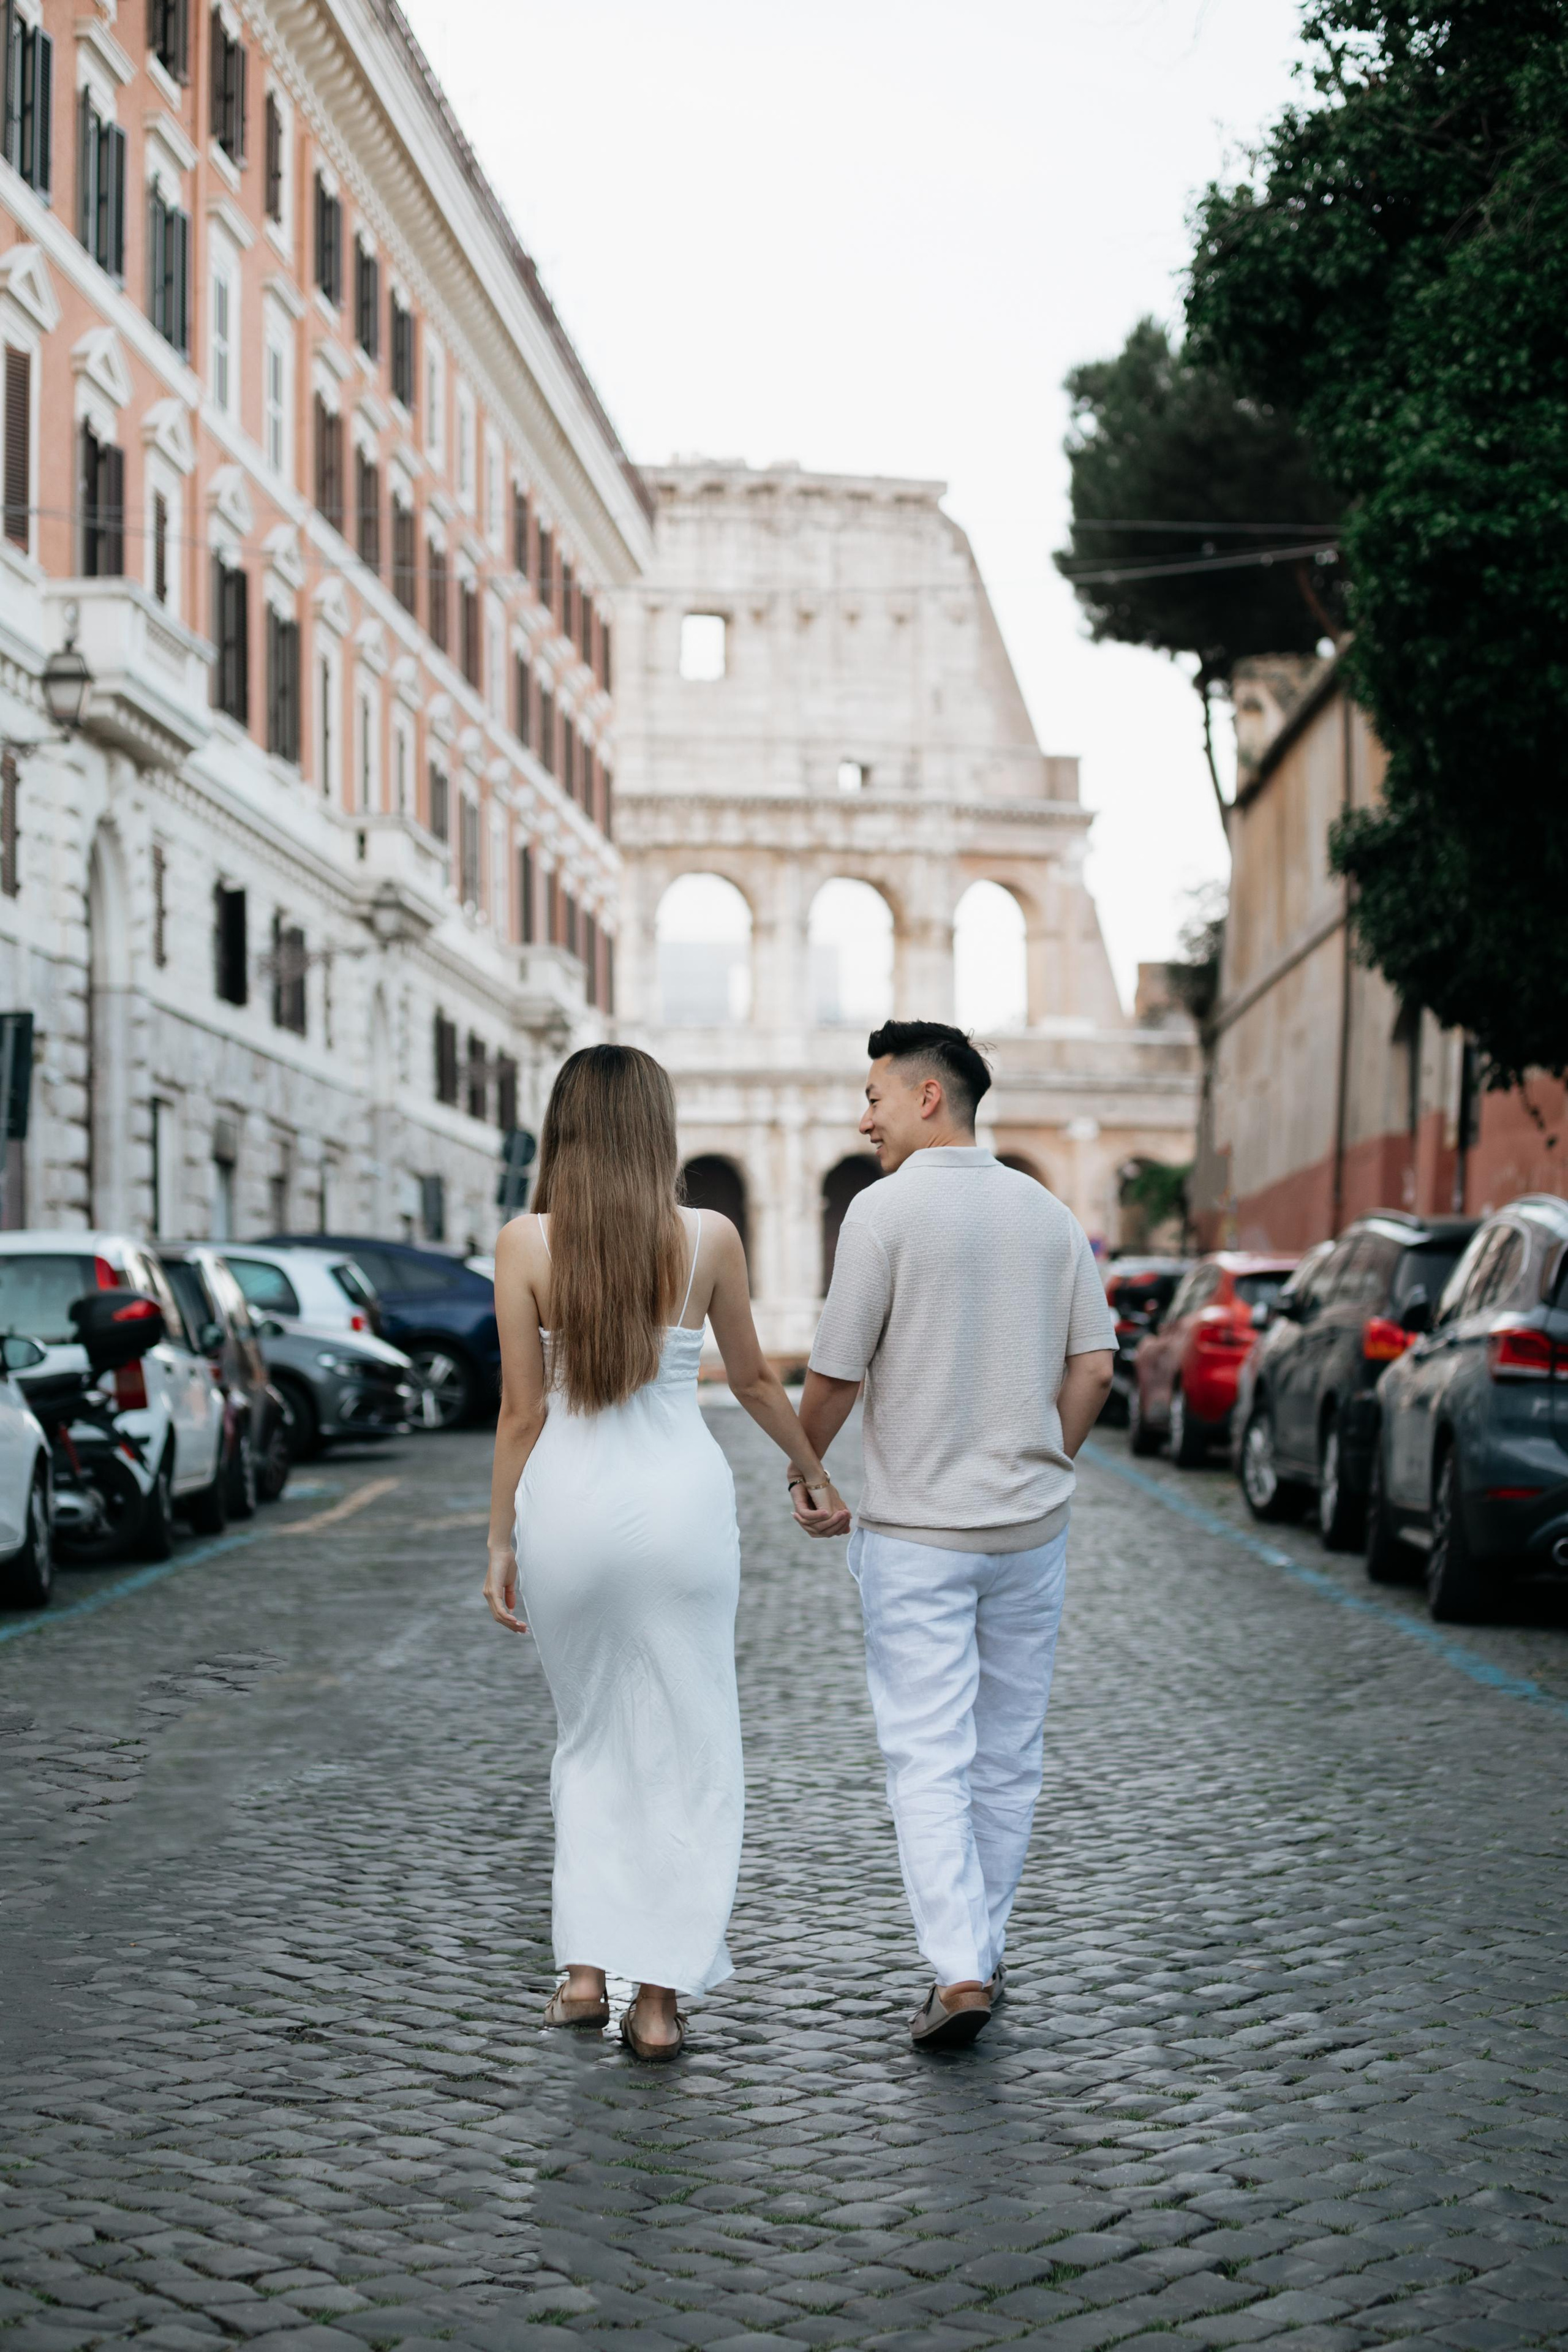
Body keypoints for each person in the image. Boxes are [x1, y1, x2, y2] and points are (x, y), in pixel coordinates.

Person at [484, 1044, 847, 2062]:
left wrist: (500, 1535)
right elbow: (759, 1383)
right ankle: (656, 2001)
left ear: (562, 1129)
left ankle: (584, 1978)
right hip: (681, 1508)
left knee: (591, 1740)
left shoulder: (523, 1243)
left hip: (571, 1506)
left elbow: (519, 1412)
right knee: (689, 1749)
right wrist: (813, 1471)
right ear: (658, 1129)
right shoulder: (710, 1236)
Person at [791, 1020, 1115, 2050]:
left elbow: (835, 1375)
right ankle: (984, 1946)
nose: (864, 1116)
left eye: (876, 1096)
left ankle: (961, 1968)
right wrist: (1048, 1459)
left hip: (919, 1534)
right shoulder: (1049, 1212)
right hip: (1030, 1531)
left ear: (929, 1097)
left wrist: (806, 1470)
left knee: (927, 1752)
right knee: (1008, 1751)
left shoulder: (883, 1214)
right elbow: (1096, 1368)